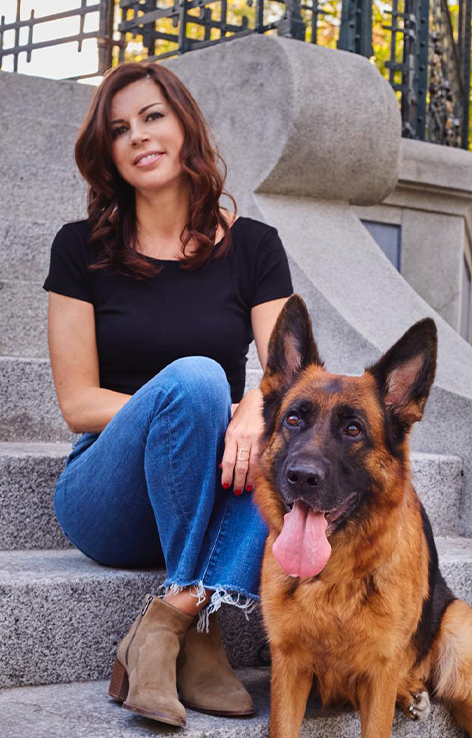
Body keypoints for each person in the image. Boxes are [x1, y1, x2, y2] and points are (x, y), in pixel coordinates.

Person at [43, 61, 293, 728]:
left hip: (213, 483)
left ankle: (173, 622)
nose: (138, 136)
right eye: (119, 129)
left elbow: (291, 376)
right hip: (108, 494)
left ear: (184, 125)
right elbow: (78, 402)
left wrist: (252, 414)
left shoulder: (255, 249)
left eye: (152, 115)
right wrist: (189, 417)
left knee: (288, 432)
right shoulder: (79, 250)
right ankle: (198, 628)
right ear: (108, 154)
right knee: (197, 379)